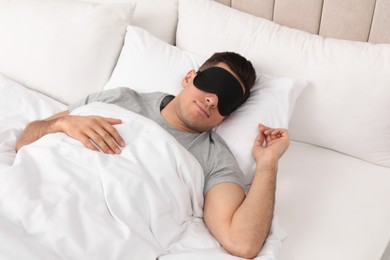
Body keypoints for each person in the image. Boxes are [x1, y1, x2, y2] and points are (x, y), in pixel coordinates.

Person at [16, 52, 289, 259]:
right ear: (188, 78)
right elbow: (25, 141)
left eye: (226, 99)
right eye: (213, 84)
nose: (213, 99)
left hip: (94, 233)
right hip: (29, 195)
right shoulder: (119, 99)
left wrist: (268, 164)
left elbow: (242, 241)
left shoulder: (215, 159)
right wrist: (61, 124)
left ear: (226, 116)